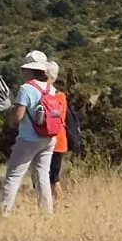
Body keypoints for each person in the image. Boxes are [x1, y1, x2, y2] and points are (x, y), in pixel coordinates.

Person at [0, 51, 61, 215]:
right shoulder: (51, 88)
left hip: (28, 138)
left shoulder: (26, 88)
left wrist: (8, 115)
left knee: (13, 176)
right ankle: (47, 213)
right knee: (42, 175)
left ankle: (4, 213)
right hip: (49, 137)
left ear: (30, 70)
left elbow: (18, 116)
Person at [48, 63, 72, 207]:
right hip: (58, 141)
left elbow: (57, 116)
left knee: (53, 178)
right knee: (51, 177)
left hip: (56, 142)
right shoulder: (60, 96)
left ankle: (58, 203)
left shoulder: (59, 96)